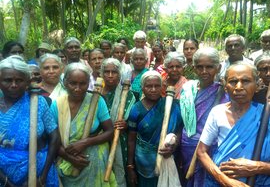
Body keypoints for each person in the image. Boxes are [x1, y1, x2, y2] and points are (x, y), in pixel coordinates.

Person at [197, 62, 270, 186]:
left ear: (257, 86)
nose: (239, 87)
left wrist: (259, 167)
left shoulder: (266, 115)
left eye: (246, 81)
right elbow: (201, 152)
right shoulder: (217, 112)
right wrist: (225, 181)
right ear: (225, 87)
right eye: (233, 81)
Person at [51, 62, 117, 186]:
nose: (77, 88)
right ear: (65, 82)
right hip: (67, 162)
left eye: (83, 84)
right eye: (73, 83)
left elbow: (110, 132)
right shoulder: (57, 105)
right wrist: (70, 158)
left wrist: (85, 142)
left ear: (89, 83)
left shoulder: (97, 100)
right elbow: (52, 140)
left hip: (94, 162)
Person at [0, 57, 60, 186]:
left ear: (27, 82)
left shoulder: (38, 103)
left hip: (38, 173)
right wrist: (7, 182)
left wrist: (42, 176)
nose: (14, 85)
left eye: (19, 80)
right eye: (8, 80)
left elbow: (54, 136)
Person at [179, 47, 229, 187]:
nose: (204, 71)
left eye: (209, 67)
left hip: (211, 148)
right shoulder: (187, 90)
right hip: (188, 146)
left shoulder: (225, 93)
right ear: (194, 69)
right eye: (200, 67)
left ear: (218, 68)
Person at [127, 70, 183, 187]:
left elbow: (178, 130)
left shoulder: (172, 106)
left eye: (157, 86)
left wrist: (174, 145)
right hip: (144, 161)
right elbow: (131, 139)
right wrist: (130, 166)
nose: (153, 89)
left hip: (167, 158)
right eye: (149, 86)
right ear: (142, 88)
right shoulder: (136, 109)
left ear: (162, 87)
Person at [101, 58, 137, 187]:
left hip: (120, 142)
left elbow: (134, 123)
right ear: (102, 73)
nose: (110, 75)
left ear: (120, 74)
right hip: (98, 141)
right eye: (107, 72)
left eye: (114, 72)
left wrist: (126, 125)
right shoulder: (95, 94)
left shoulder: (128, 95)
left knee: (119, 174)